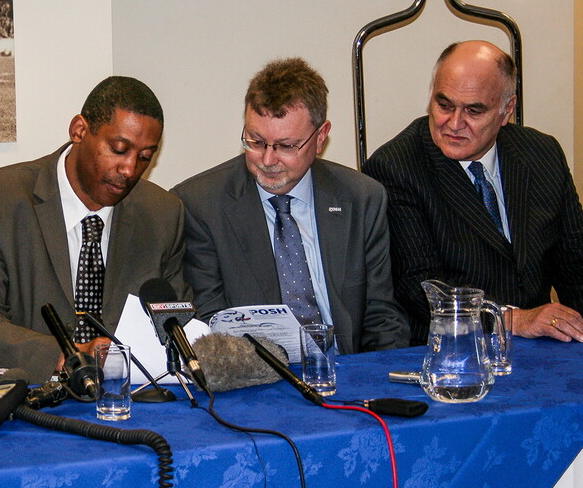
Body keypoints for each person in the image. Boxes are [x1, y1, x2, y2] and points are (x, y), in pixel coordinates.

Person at [0, 76, 190, 385]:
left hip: (128, 403)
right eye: (119, 149)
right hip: (25, 401)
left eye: (145, 157)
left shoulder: (163, 213)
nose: (130, 169)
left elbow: (175, 323)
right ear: (79, 130)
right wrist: (68, 356)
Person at [172, 58, 408, 354]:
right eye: (255, 141)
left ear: (321, 137)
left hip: (347, 370)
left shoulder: (361, 198)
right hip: (255, 378)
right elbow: (210, 325)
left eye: (286, 146)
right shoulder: (201, 205)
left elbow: (381, 317)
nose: (268, 160)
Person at [363, 40, 583, 345]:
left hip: (541, 349)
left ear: (507, 110)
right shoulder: (396, 167)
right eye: (444, 105)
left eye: (474, 111)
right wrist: (513, 319)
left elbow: (575, 263)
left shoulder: (542, 153)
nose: (453, 123)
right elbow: (419, 285)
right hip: (451, 350)